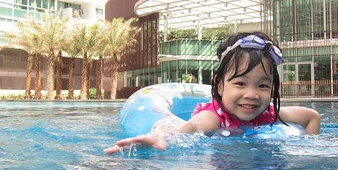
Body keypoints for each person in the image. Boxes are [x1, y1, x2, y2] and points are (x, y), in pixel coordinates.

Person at [105, 31, 321, 154]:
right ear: (219, 85)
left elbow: (312, 117)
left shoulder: (269, 114)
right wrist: (156, 137)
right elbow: (189, 127)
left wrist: (312, 148)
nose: (252, 94)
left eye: (263, 86)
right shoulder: (213, 118)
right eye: (240, 83)